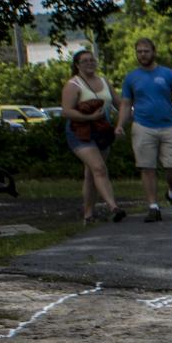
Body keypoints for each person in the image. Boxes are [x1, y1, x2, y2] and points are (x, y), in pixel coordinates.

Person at [117, 37, 172, 222]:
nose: (143, 54)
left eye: (146, 51)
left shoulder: (167, 74)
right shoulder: (132, 77)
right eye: (139, 51)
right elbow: (125, 103)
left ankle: (171, 193)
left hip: (169, 125)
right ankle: (153, 206)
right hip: (143, 126)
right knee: (147, 167)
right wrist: (120, 125)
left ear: (153, 52)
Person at [60, 49, 125, 224]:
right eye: (85, 61)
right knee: (99, 168)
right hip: (80, 132)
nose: (89, 63)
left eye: (92, 60)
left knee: (91, 173)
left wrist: (122, 123)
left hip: (102, 130)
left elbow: (120, 104)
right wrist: (90, 117)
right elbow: (66, 111)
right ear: (77, 65)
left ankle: (88, 214)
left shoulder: (104, 81)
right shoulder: (73, 84)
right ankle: (113, 207)